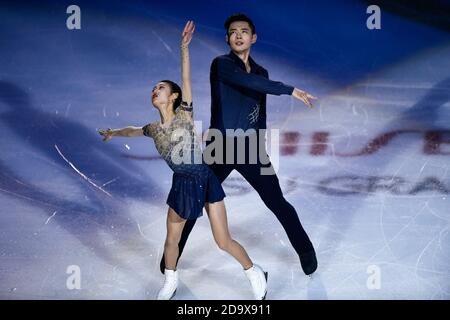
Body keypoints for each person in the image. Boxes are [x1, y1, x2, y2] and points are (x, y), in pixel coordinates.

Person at [99, 21, 268, 300]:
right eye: (154, 88)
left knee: (222, 240)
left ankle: (254, 272)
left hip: (205, 178)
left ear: (174, 96)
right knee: (172, 240)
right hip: (181, 184)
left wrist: (184, 48)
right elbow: (133, 130)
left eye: (161, 87)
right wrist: (114, 133)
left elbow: (186, 79)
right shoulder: (153, 129)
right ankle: (171, 281)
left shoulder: (184, 114)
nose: (155, 90)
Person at [161, 13, 319, 277]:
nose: (238, 35)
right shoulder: (221, 65)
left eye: (244, 31)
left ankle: (305, 249)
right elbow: (250, 83)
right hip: (219, 149)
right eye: (233, 31)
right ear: (227, 38)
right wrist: (290, 89)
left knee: (277, 201)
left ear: (253, 38)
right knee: (193, 201)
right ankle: (171, 261)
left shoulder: (262, 72)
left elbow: (260, 108)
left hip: (251, 151)